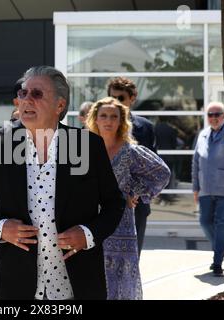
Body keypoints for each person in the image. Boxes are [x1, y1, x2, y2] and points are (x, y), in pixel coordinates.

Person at [0, 66, 125, 300]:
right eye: (23, 93)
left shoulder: (88, 146)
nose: (26, 99)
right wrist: (0, 229)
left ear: (60, 106)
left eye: (37, 94)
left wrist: (89, 234)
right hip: (16, 286)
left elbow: (114, 203)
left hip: (79, 284)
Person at [86, 97, 170, 299]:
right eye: (103, 116)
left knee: (121, 280)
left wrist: (135, 192)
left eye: (114, 116)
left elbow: (162, 173)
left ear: (121, 121)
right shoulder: (84, 150)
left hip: (121, 226)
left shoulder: (130, 152)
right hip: (90, 222)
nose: (108, 121)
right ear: (95, 119)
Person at [107, 77, 156, 255]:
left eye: (121, 98)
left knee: (134, 255)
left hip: (137, 203)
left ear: (132, 98)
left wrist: (135, 192)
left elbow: (151, 167)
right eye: (112, 98)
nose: (116, 102)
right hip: (107, 202)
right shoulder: (101, 125)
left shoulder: (145, 127)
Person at [192, 102, 224, 277]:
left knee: (221, 224)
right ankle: (221, 250)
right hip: (205, 189)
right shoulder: (202, 135)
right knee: (204, 222)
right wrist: (195, 187)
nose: (214, 117)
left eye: (217, 114)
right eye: (210, 114)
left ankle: (217, 263)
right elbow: (195, 162)